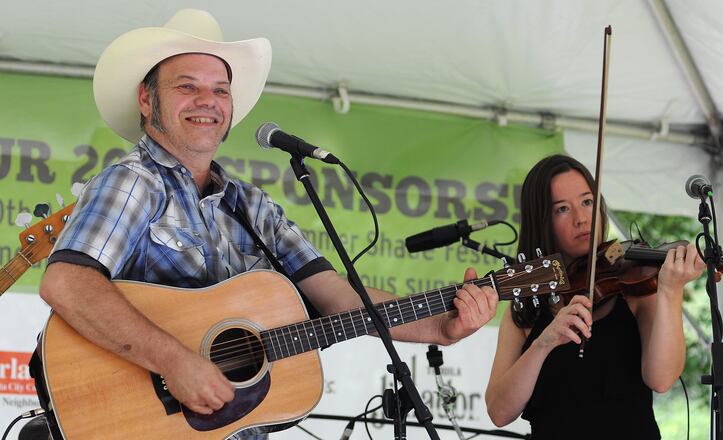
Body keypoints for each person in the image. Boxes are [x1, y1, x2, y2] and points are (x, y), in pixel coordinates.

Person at [35, 9, 498, 439]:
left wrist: (442, 328)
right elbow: (67, 282)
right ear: (146, 98)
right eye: (187, 86)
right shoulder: (133, 183)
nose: (208, 102)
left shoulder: (253, 207)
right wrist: (175, 362)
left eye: (220, 89)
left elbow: (339, 298)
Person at [485, 154, 706, 439]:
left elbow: (662, 379)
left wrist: (671, 290)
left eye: (587, 202)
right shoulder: (526, 308)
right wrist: (544, 343)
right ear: (542, 221)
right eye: (562, 209)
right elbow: (499, 412)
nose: (581, 219)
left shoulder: (635, 287)